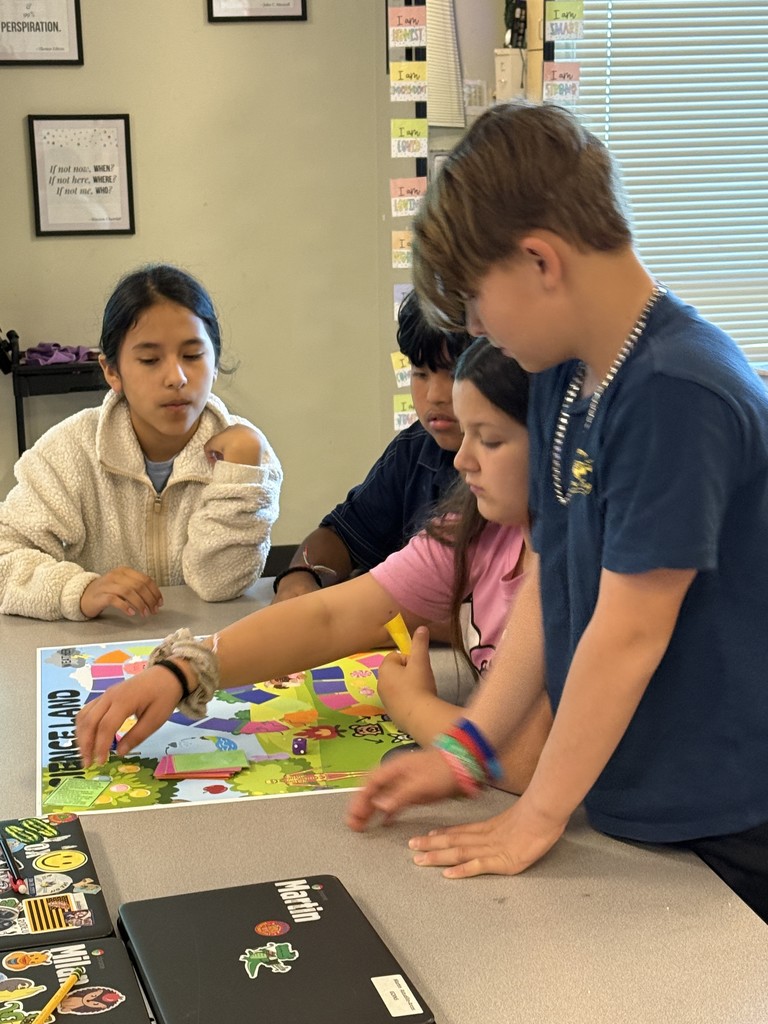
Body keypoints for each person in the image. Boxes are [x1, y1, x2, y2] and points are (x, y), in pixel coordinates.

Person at [344, 101, 768, 924]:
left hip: (725, 812)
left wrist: (535, 814)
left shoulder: (676, 390)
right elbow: (554, 581)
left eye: (476, 298)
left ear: (540, 259)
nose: (475, 327)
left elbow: (631, 631)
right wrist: (468, 749)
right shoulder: (564, 379)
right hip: (627, 797)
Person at [75, 339, 552, 795]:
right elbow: (330, 617)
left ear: (560, 445)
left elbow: (526, 761)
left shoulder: (569, 571)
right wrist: (181, 671)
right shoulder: (472, 530)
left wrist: (415, 707)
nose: (462, 460)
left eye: (489, 440)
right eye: (467, 434)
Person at [0, 264, 282, 621]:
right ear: (112, 371)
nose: (176, 377)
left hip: (202, 640)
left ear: (214, 364)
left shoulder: (248, 455)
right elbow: (5, 560)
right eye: (150, 360)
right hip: (105, 639)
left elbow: (219, 584)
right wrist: (79, 590)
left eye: (192, 356)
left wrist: (240, 474)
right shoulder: (68, 450)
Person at [272, 289, 472, 603]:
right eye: (420, 373)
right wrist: (300, 578)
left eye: (455, 374)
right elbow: (342, 536)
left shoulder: (528, 465)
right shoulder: (414, 450)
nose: (435, 395)